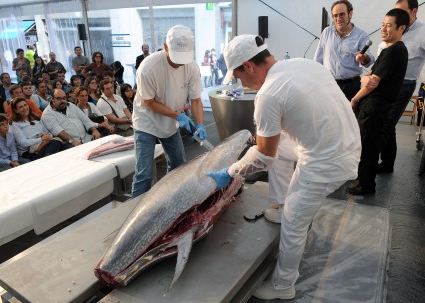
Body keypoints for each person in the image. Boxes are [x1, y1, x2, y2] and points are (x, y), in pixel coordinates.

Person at [206, 34, 361, 300]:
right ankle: (279, 205)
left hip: (326, 161)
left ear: (249, 65)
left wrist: (230, 171)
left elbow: (264, 156)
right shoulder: (303, 64)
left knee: (294, 222)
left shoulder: (268, 95)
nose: (241, 83)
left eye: (239, 76)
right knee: (279, 153)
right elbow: (275, 148)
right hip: (344, 142)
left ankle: (283, 285)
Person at [131, 24, 206, 198]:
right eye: (176, 57)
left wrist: (200, 124)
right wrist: (178, 115)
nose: (180, 63)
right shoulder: (148, 67)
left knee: (179, 166)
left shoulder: (192, 67)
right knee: (144, 174)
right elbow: (148, 102)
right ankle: (132, 214)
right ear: (165, 47)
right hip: (146, 121)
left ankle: (169, 202)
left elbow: (195, 100)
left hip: (171, 121)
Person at [347, 8, 409, 195]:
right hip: (375, 105)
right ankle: (363, 180)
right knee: (368, 143)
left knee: (368, 145)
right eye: (383, 25)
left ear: (402, 28)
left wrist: (355, 98)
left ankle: (366, 185)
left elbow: (373, 82)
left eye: (389, 26)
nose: (383, 29)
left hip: (375, 106)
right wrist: (365, 78)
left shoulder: (395, 50)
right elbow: (371, 77)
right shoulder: (391, 49)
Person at [376, 0, 425, 173]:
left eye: (402, 12)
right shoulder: (392, 27)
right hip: (384, 82)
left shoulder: (422, 31)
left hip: (404, 85)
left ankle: (367, 163)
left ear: (413, 12)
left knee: (385, 124)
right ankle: (387, 163)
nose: (397, 16)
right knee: (386, 123)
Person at [314, 0, 375, 101]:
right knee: (328, 115)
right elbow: (318, 59)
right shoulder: (327, 32)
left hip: (350, 86)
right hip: (328, 83)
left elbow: (369, 60)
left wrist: (364, 58)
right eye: (335, 15)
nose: (338, 18)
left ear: (350, 14)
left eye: (342, 14)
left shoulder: (361, 35)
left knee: (348, 116)